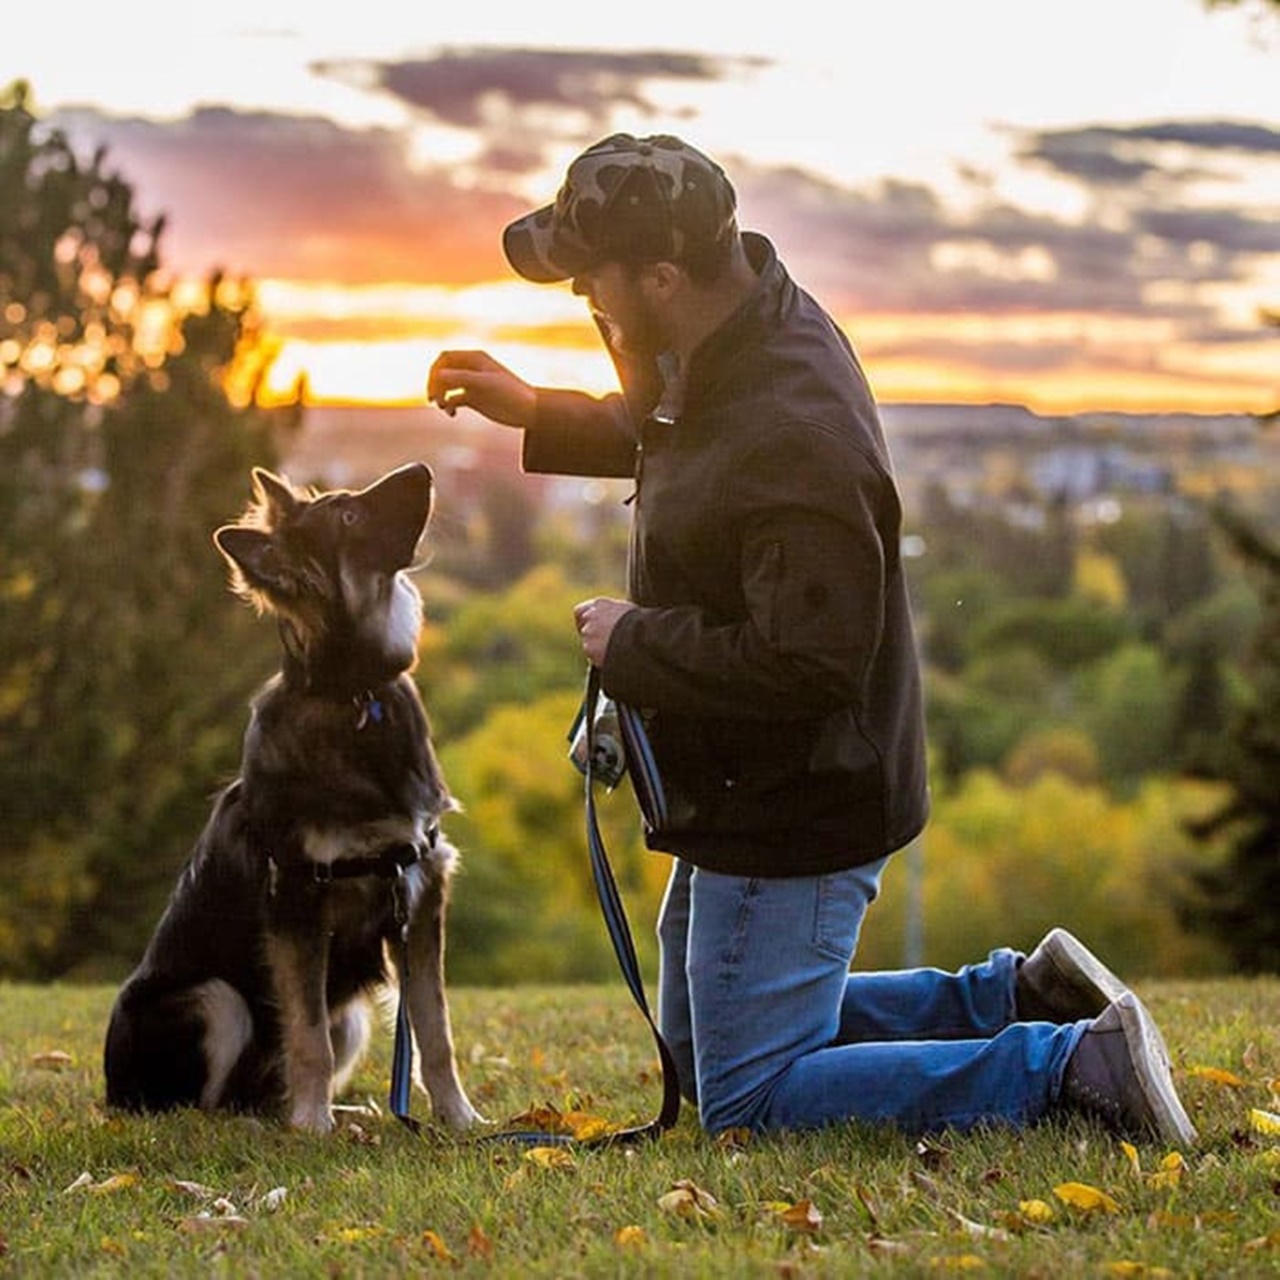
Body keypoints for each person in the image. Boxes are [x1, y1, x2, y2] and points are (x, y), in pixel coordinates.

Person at [427, 133, 1196, 1146]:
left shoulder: (791, 426)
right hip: (741, 778)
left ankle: (1066, 1064)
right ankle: (1014, 995)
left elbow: (809, 662)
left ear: (660, 274)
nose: (582, 301)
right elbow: (674, 427)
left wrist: (635, 642)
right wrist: (537, 411)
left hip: (795, 793)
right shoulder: (724, 331)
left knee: (746, 1099)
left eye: (588, 281)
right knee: (699, 1047)